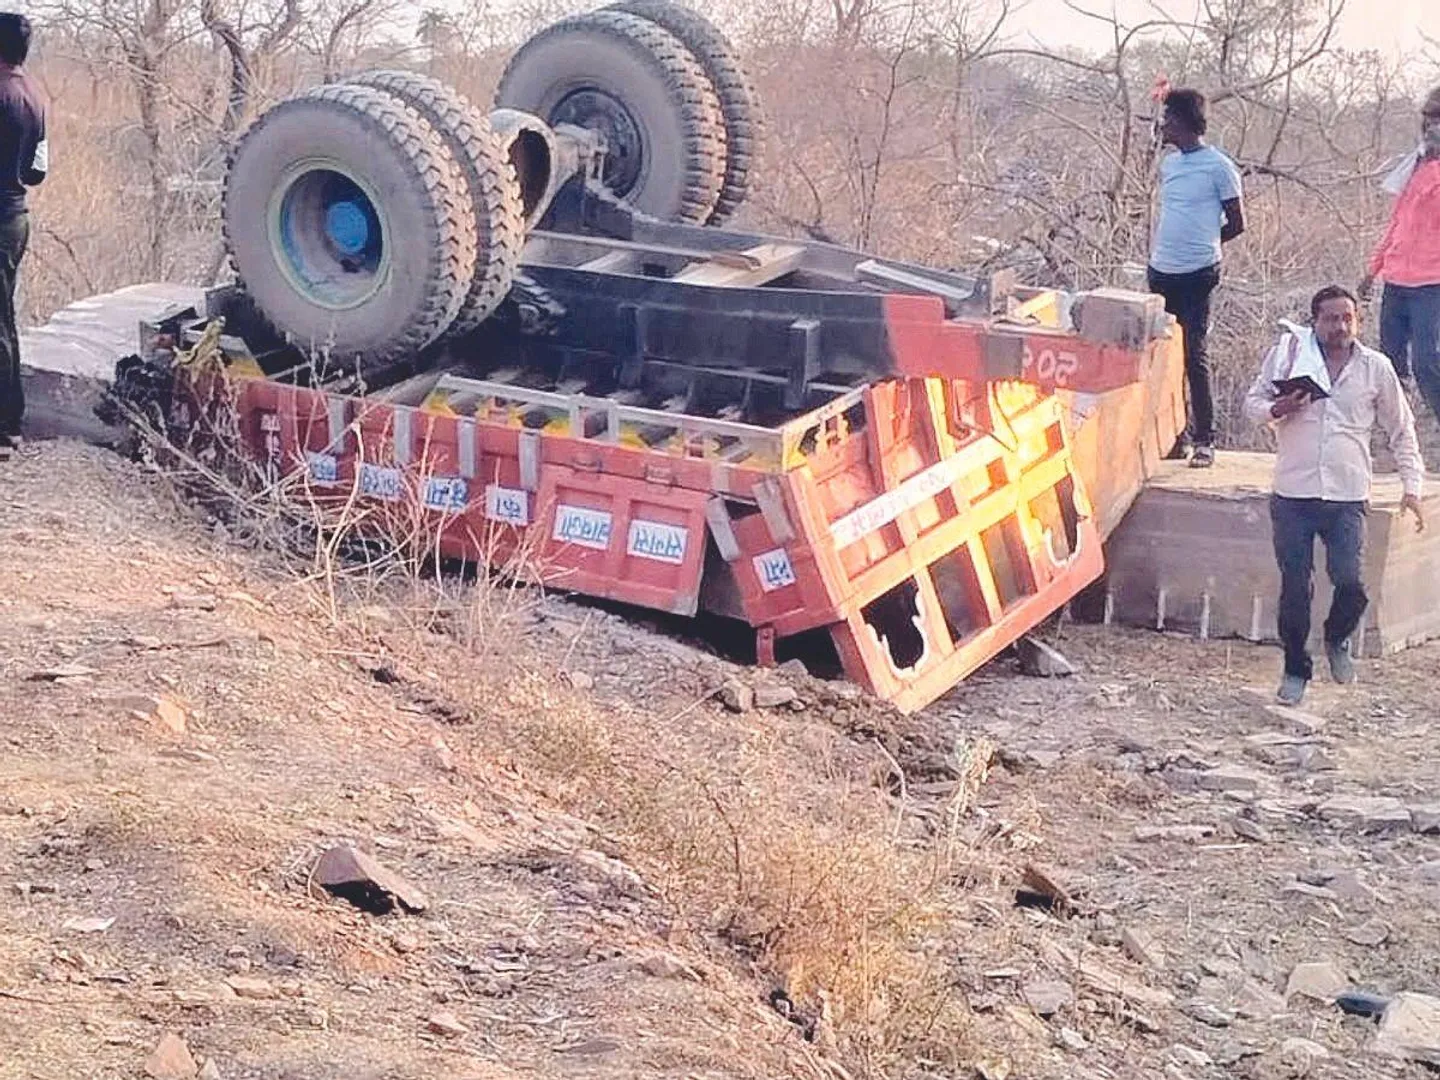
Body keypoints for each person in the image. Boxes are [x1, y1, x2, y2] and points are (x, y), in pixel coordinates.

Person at [1243, 285, 1425, 706]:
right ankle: (1294, 669)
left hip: (1346, 494)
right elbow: (1253, 402)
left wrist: (1411, 486)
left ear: (1357, 321)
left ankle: (1337, 637)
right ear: (1315, 321)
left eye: (1348, 318)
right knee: (1295, 587)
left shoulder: (1375, 367)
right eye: (1331, 319)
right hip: (1294, 492)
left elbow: (1402, 429)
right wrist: (1278, 408)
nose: (1340, 326)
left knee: (1351, 582)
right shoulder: (1289, 355)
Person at [1148, 87, 1246, 469]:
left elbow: (1237, 223)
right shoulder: (1170, 165)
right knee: (1162, 354)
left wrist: (1207, 242)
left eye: (1168, 118)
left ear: (1184, 122)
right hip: (1162, 270)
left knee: (1193, 353)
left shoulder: (1218, 166)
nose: (1163, 125)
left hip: (1197, 272)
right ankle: (1175, 436)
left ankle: (1205, 438)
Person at [1359, 86, 1440, 422]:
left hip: (1431, 282)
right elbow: (1398, 223)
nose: (1431, 125)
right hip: (1396, 279)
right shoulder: (1416, 165)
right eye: (1428, 118)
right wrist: (1372, 270)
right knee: (1390, 363)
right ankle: (1399, 435)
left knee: (1427, 361)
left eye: (1438, 119)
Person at [0, 11, 46, 459]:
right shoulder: (34, 95)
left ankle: (5, 428)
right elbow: (38, 172)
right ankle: (10, 422)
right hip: (16, 218)